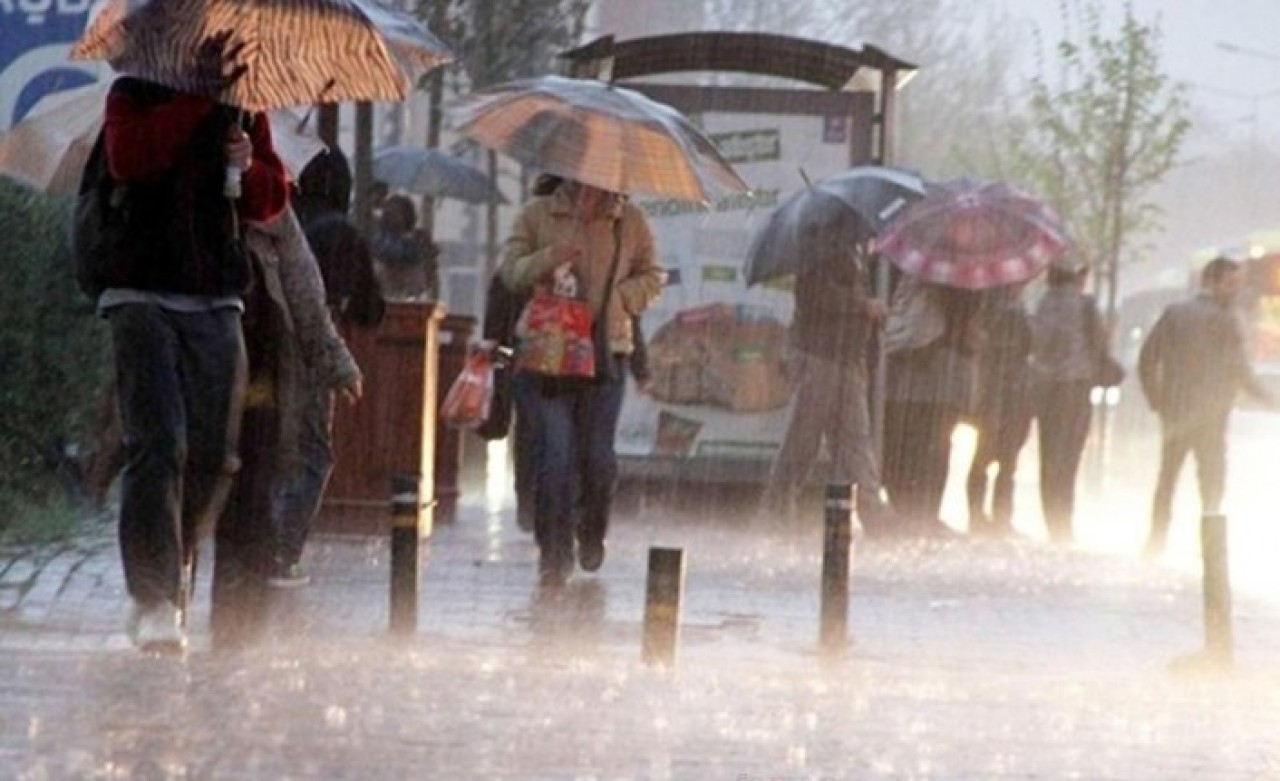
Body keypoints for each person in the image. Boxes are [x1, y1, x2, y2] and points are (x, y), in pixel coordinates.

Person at [98, 75, 288, 652]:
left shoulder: (247, 103)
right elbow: (131, 159)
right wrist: (197, 103)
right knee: (159, 445)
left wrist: (248, 162)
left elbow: (269, 200)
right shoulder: (132, 91)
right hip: (139, 290)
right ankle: (154, 596)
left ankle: (167, 564)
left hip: (216, 294)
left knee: (214, 453)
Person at [500, 178, 664, 587]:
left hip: (606, 354)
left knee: (597, 459)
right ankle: (553, 551)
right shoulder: (537, 213)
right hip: (548, 357)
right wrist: (546, 259)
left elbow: (653, 274)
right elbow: (510, 272)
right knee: (554, 456)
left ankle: (592, 528)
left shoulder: (630, 221)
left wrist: (622, 297)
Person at [268, 149, 385, 585]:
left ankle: (255, 540)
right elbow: (371, 310)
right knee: (312, 452)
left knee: (269, 444)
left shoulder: (276, 218)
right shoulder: (340, 233)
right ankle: (282, 551)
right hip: (312, 346)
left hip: (261, 341)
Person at [1138, 256, 1273, 558]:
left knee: (1167, 478)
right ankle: (1211, 552)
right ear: (1212, 282)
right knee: (1211, 483)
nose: (1236, 290)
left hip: (1176, 412)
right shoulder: (1226, 320)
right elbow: (1240, 372)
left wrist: (1158, 401)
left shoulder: (1174, 314)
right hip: (1212, 416)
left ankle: (1155, 542)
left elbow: (1148, 358)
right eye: (1231, 283)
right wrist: (1272, 402)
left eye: (1238, 283)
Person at [762, 215, 890, 525]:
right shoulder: (817, 254)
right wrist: (864, 307)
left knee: (855, 441)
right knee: (804, 438)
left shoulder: (854, 255)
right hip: (820, 358)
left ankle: (876, 517)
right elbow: (819, 299)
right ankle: (776, 507)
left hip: (848, 360)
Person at [881, 275, 984, 536]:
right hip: (937, 374)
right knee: (934, 446)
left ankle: (906, 510)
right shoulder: (952, 276)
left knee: (906, 444)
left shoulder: (906, 273)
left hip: (905, 368)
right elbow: (964, 317)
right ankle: (923, 515)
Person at [1027, 258, 1101, 543]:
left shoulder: (1042, 304)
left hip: (1045, 388)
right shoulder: (1086, 305)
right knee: (1070, 458)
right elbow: (1098, 346)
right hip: (1075, 388)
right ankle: (1064, 524)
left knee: (1049, 456)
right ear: (1078, 276)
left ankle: (1052, 521)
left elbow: (1036, 343)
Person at [965, 284, 1034, 537]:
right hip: (1008, 391)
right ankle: (998, 516)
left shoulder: (987, 309)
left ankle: (978, 514)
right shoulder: (1012, 311)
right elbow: (1028, 345)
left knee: (986, 454)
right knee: (1004, 457)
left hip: (992, 390)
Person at [373, 194, 439, 300]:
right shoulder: (381, 236)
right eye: (388, 213)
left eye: (395, 212)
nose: (390, 217)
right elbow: (387, 253)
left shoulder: (417, 238)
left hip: (411, 293)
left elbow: (428, 277)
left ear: (406, 216)